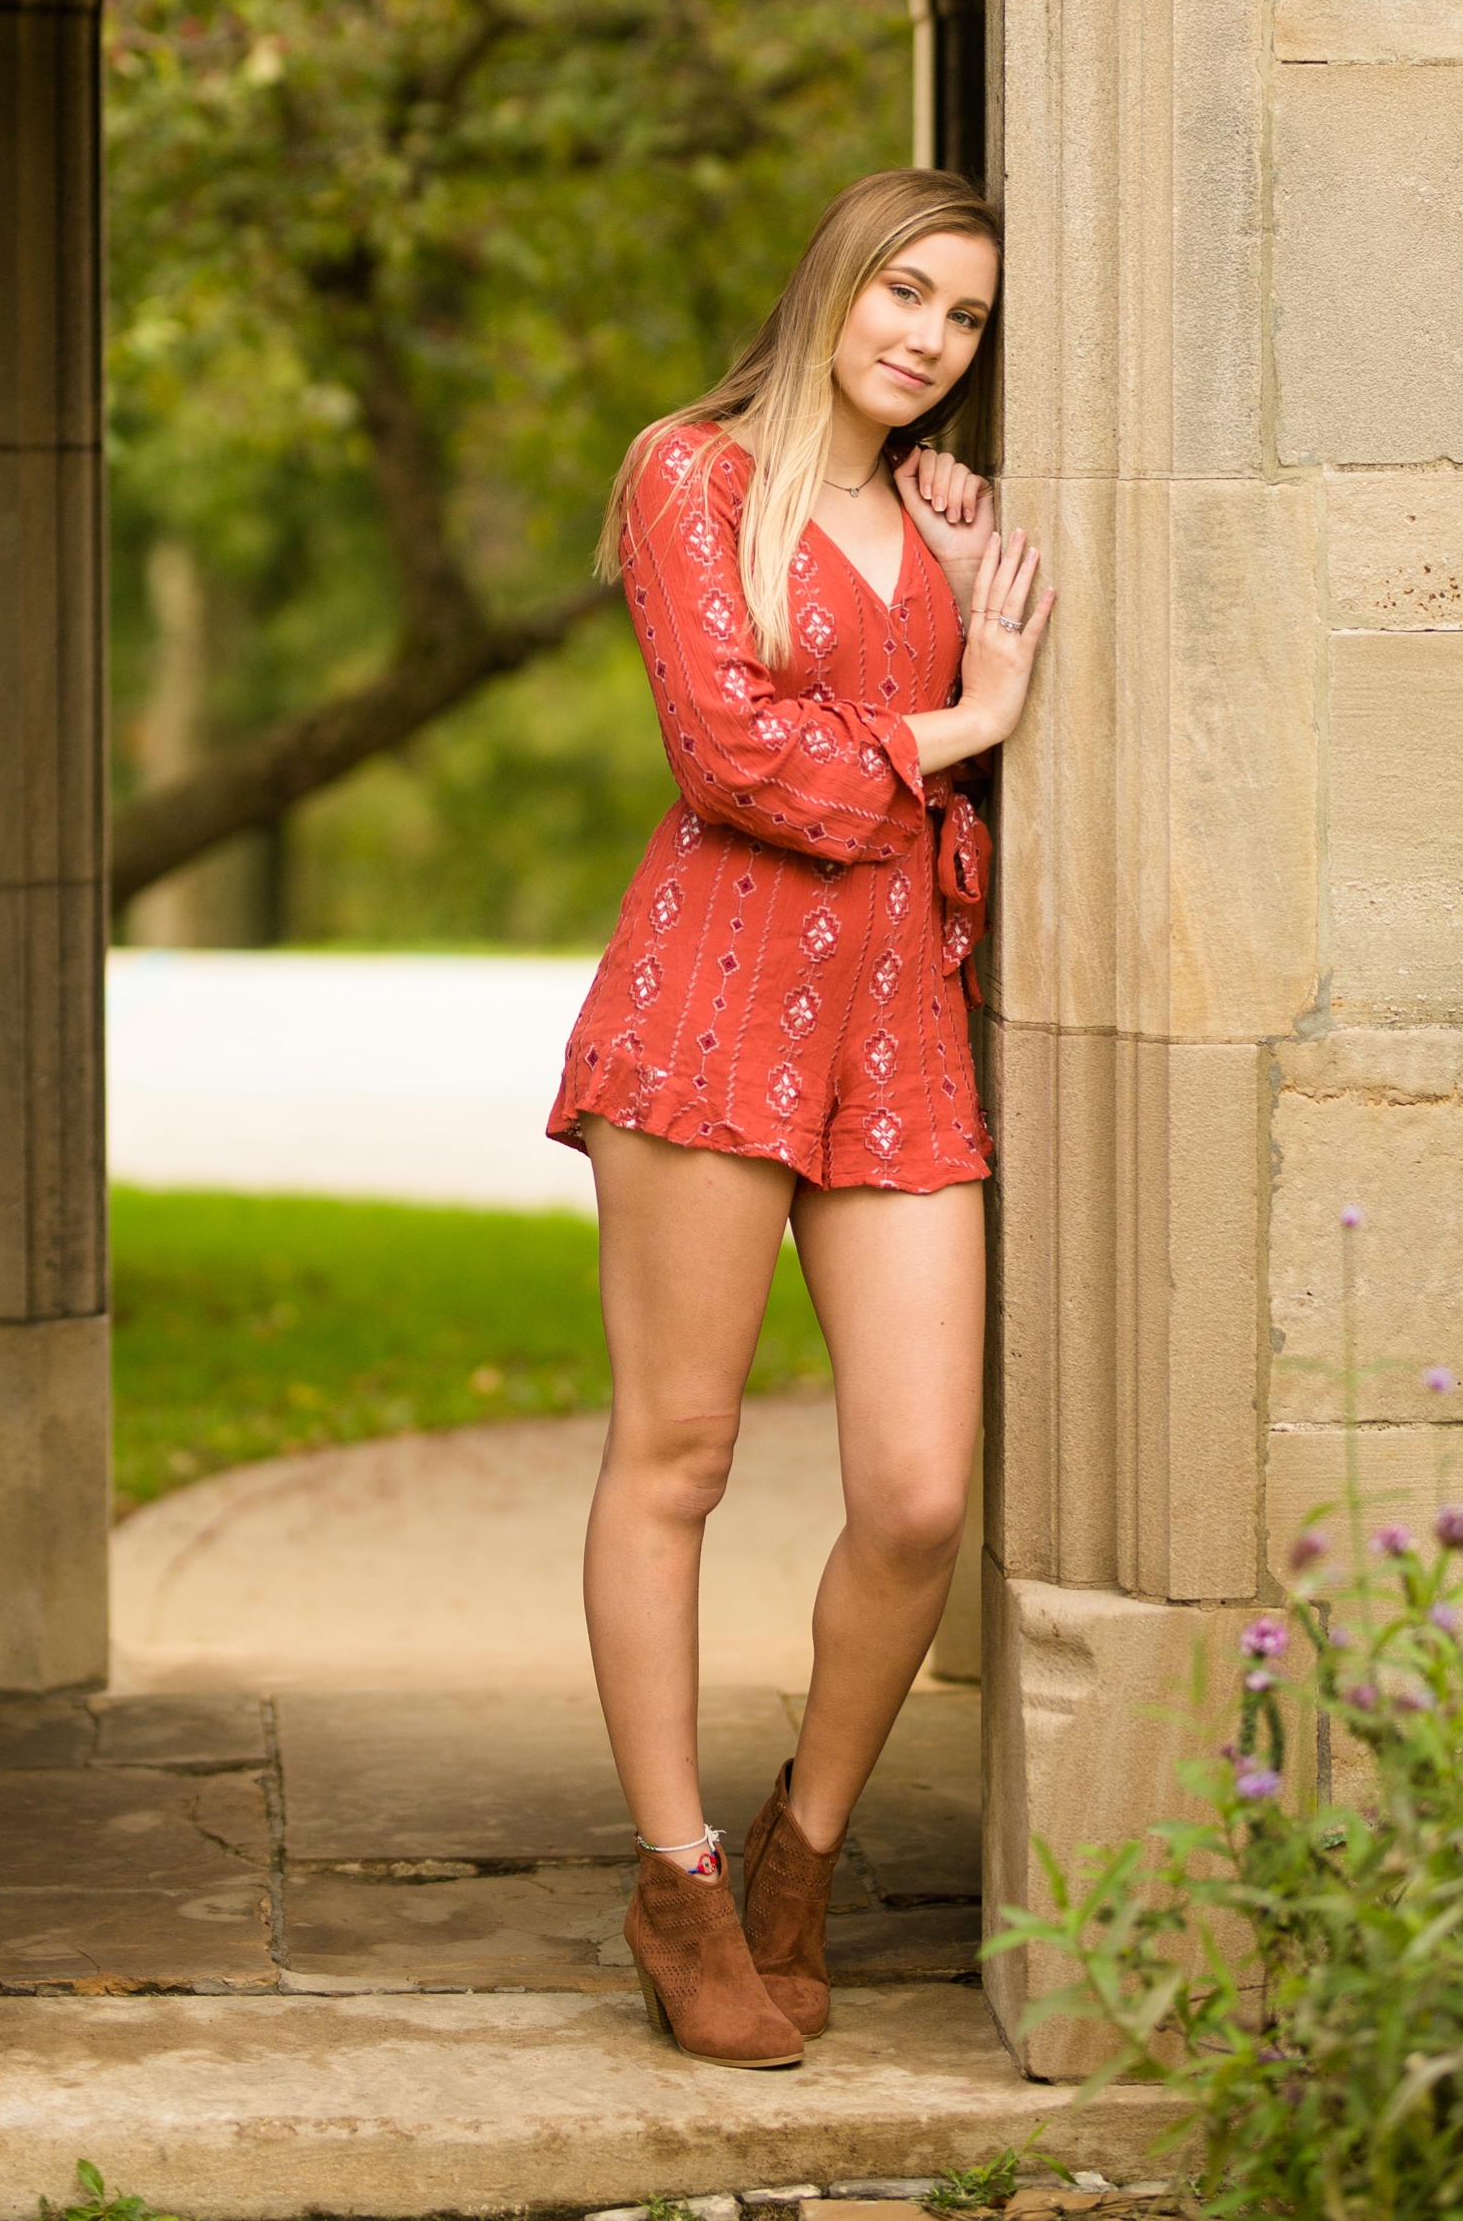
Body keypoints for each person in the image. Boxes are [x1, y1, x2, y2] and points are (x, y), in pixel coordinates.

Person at [547, 167, 1054, 2068]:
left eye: (966, 317)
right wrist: (965, 717)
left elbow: (863, 723)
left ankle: (800, 1849)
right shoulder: (690, 471)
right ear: (833, 284)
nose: (927, 337)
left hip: (897, 1022)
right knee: (674, 1450)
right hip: (713, 997)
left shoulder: (940, 519)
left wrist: (953, 603)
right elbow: (733, 751)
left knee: (920, 1490)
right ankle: (674, 1879)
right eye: (904, 292)